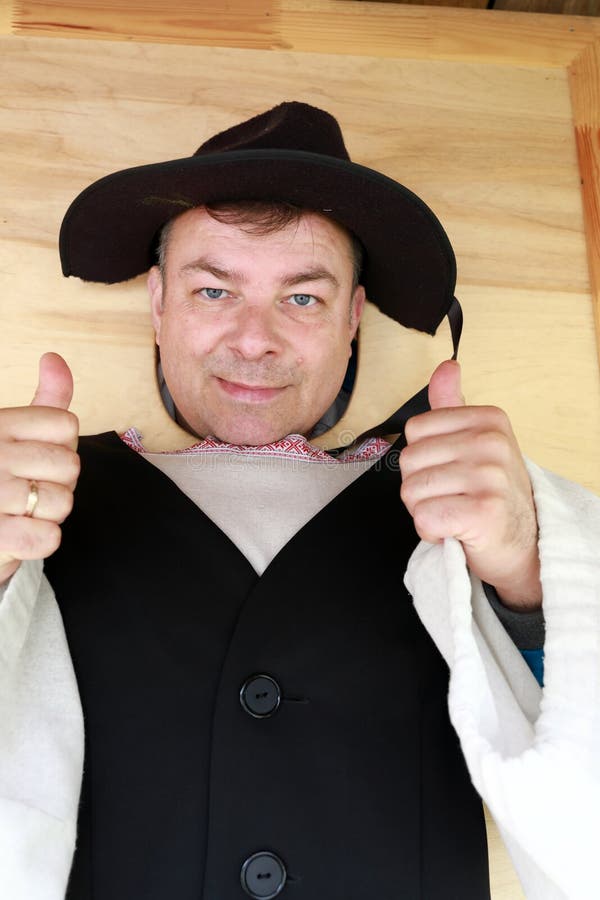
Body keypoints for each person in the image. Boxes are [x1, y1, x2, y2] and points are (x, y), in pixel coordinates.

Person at [0, 102, 598, 900]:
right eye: (214, 292)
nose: (255, 340)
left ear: (354, 319)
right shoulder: (36, 509)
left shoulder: (468, 515)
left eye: (303, 300)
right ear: (157, 302)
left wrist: (532, 580)